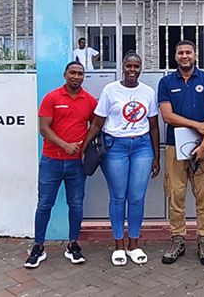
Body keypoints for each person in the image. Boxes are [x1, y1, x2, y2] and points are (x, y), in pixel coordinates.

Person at [82, 52, 160, 266]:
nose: (132, 70)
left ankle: (134, 244)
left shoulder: (148, 92)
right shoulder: (110, 90)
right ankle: (118, 245)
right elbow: (97, 123)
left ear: (141, 68)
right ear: (122, 67)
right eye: (128, 66)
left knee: (136, 197)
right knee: (118, 197)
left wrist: (156, 156)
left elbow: (154, 127)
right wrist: (85, 145)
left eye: (136, 66)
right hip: (115, 146)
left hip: (142, 146)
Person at [25, 61, 96, 269]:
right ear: (65, 74)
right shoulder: (52, 97)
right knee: (45, 204)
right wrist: (65, 145)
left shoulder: (89, 100)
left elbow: (97, 124)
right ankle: (38, 247)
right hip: (51, 161)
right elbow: (44, 129)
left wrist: (85, 146)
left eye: (80, 74)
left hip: (76, 164)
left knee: (76, 204)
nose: (76, 76)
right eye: (72, 73)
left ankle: (73, 245)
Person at [158, 40, 204, 266]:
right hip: (175, 147)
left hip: (203, 146)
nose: (185, 56)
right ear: (175, 57)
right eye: (181, 52)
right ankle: (178, 240)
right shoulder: (166, 82)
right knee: (176, 195)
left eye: (189, 52)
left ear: (195, 55)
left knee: (203, 195)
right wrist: (198, 125)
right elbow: (168, 116)